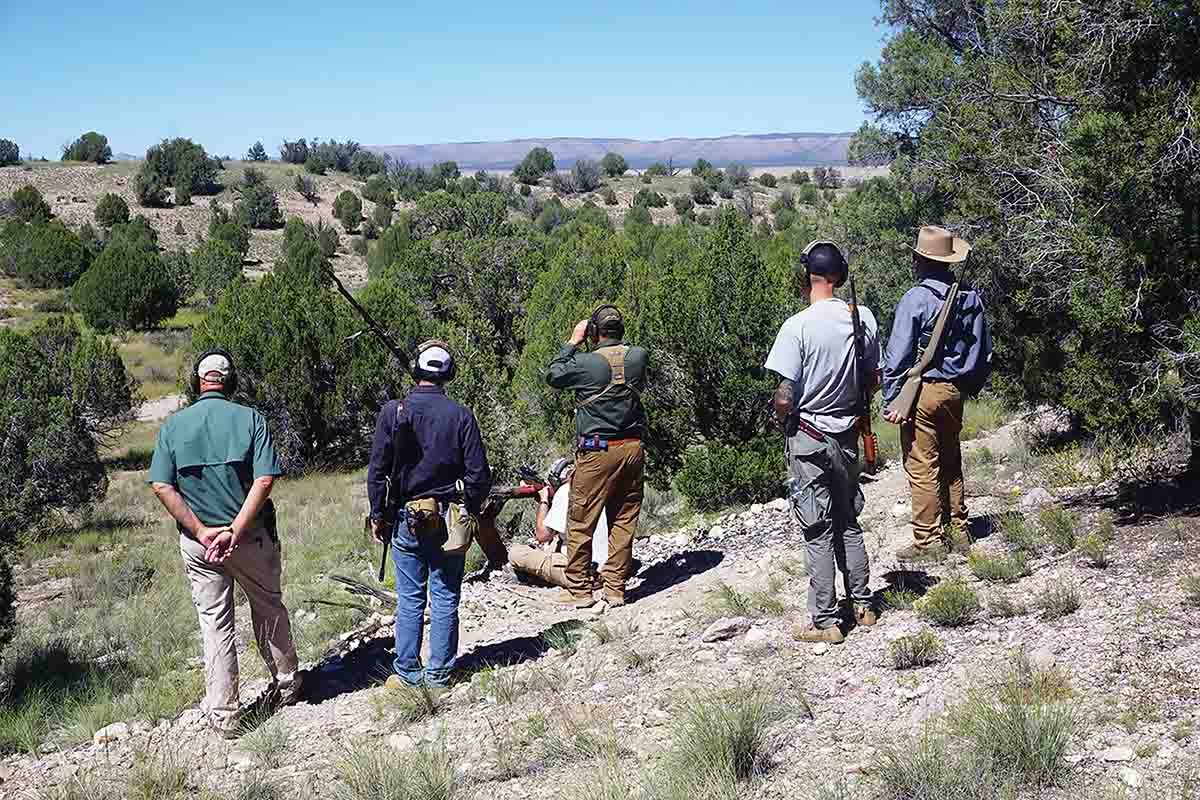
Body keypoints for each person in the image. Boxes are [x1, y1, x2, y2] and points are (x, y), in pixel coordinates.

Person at [148, 350, 302, 737]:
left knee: (215, 624)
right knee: (267, 607)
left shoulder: (173, 427)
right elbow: (264, 481)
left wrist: (202, 532)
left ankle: (225, 715)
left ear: (198, 382)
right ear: (229, 382)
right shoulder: (251, 419)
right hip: (250, 538)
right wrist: (235, 529)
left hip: (201, 547)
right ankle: (287, 685)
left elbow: (161, 484)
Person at [764, 241, 879, 645]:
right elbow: (872, 378)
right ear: (839, 275)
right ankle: (863, 604)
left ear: (808, 276)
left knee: (817, 527)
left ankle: (826, 621)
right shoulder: (861, 317)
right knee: (849, 519)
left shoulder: (797, 326)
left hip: (809, 436)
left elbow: (784, 395)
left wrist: (783, 421)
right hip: (847, 434)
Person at [367, 340, 491, 688]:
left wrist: (378, 513)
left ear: (417, 371)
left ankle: (407, 672)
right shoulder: (461, 415)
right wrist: (473, 509)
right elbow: (478, 474)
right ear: (447, 374)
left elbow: (377, 470)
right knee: (446, 595)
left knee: (410, 598)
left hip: (406, 516)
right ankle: (439, 673)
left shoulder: (394, 411)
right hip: (449, 516)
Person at [882, 226, 993, 560]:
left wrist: (892, 397)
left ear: (920, 260)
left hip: (923, 392)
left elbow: (897, 356)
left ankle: (928, 540)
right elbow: (983, 352)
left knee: (922, 465)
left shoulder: (915, 299)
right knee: (950, 459)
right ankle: (958, 528)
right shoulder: (969, 298)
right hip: (954, 391)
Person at [545, 306, 648, 608]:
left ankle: (580, 589)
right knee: (624, 519)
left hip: (596, 451)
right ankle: (615, 588)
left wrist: (572, 342)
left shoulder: (585, 363)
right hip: (632, 449)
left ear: (593, 333)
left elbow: (553, 374)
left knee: (580, 520)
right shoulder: (639, 356)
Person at [508, 470, 609, 589]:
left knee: (516, 553)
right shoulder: (601, 486)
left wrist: (544, 500)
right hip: (612, 568)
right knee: (556, 542)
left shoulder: (565, 491)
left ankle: (575, 581)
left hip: (584, 573)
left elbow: (542, 536)